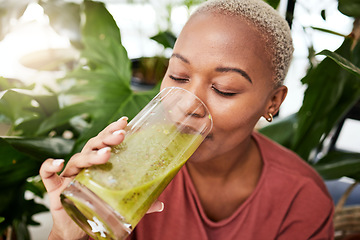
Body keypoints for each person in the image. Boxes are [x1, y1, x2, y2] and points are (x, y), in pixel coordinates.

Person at [40, 0, 335, 239]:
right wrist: (67, 235)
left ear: (273, 102)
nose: (186, 105)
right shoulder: (126, 170)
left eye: (224, 89)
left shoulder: (301, 199)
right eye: (179, 76)